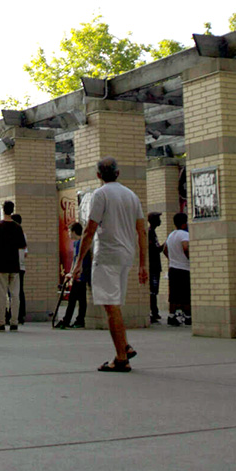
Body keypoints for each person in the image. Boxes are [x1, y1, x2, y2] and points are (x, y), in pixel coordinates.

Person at [72, 157, 147, 372]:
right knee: (115, 304)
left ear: (98, 175)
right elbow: (141, 231)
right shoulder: (132, 196)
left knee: (110, 306)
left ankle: (121, 358)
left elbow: (89, 230)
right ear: (118, 173)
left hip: (107, 256)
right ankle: (124, 345)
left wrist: (78, 264)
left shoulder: (101, 194)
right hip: (126, 256)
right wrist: (143, 264)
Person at [0, 200, 26, 331]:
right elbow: (22, 245)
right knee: (15, 294)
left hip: (1, 264)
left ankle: (0, 321)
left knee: (1, 294)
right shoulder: (17, 227)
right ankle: (14, 321)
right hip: (14, 265)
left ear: (3, 210)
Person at [56, 222, 90, 329]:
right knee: (78, 298)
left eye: (70, 231)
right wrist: (70, 272)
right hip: (77, 274)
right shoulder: (76, 244)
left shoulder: (81, 243)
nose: (69, 234)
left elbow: (81, 260)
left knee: (74, 299)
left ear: (75, 231)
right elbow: (75, 260)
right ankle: (77, 319)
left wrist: (74, 272)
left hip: (80, 275)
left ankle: (70, 320)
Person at [163, 212, 191, 327]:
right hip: (184, 268)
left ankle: (171, 316)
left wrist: (171, 259)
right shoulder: (184, 235)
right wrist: (189, 258)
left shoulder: (171, 235)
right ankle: (188, 316)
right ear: (184, 223)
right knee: (186, 293)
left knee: (173, 294)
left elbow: (164, 249)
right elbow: (185, 247)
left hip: (173, 267)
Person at [147, 212, 163, 324]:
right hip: (152, 266)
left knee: (155, 290)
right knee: (152, 290)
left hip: (156, 266)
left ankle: (155, 311)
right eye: (158, 218)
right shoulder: (150, 233)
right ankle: (152, 312)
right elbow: (153, 249)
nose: (160, 221)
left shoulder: (153, 232)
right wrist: (164, 245)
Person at [12, 213, 28, 324]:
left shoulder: (15, 234)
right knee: (19, 291)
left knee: (13, 291)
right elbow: (25, 252)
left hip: (14, 266)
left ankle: (15, 314)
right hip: (21, 266)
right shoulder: (23, 235)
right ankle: (21, 314)